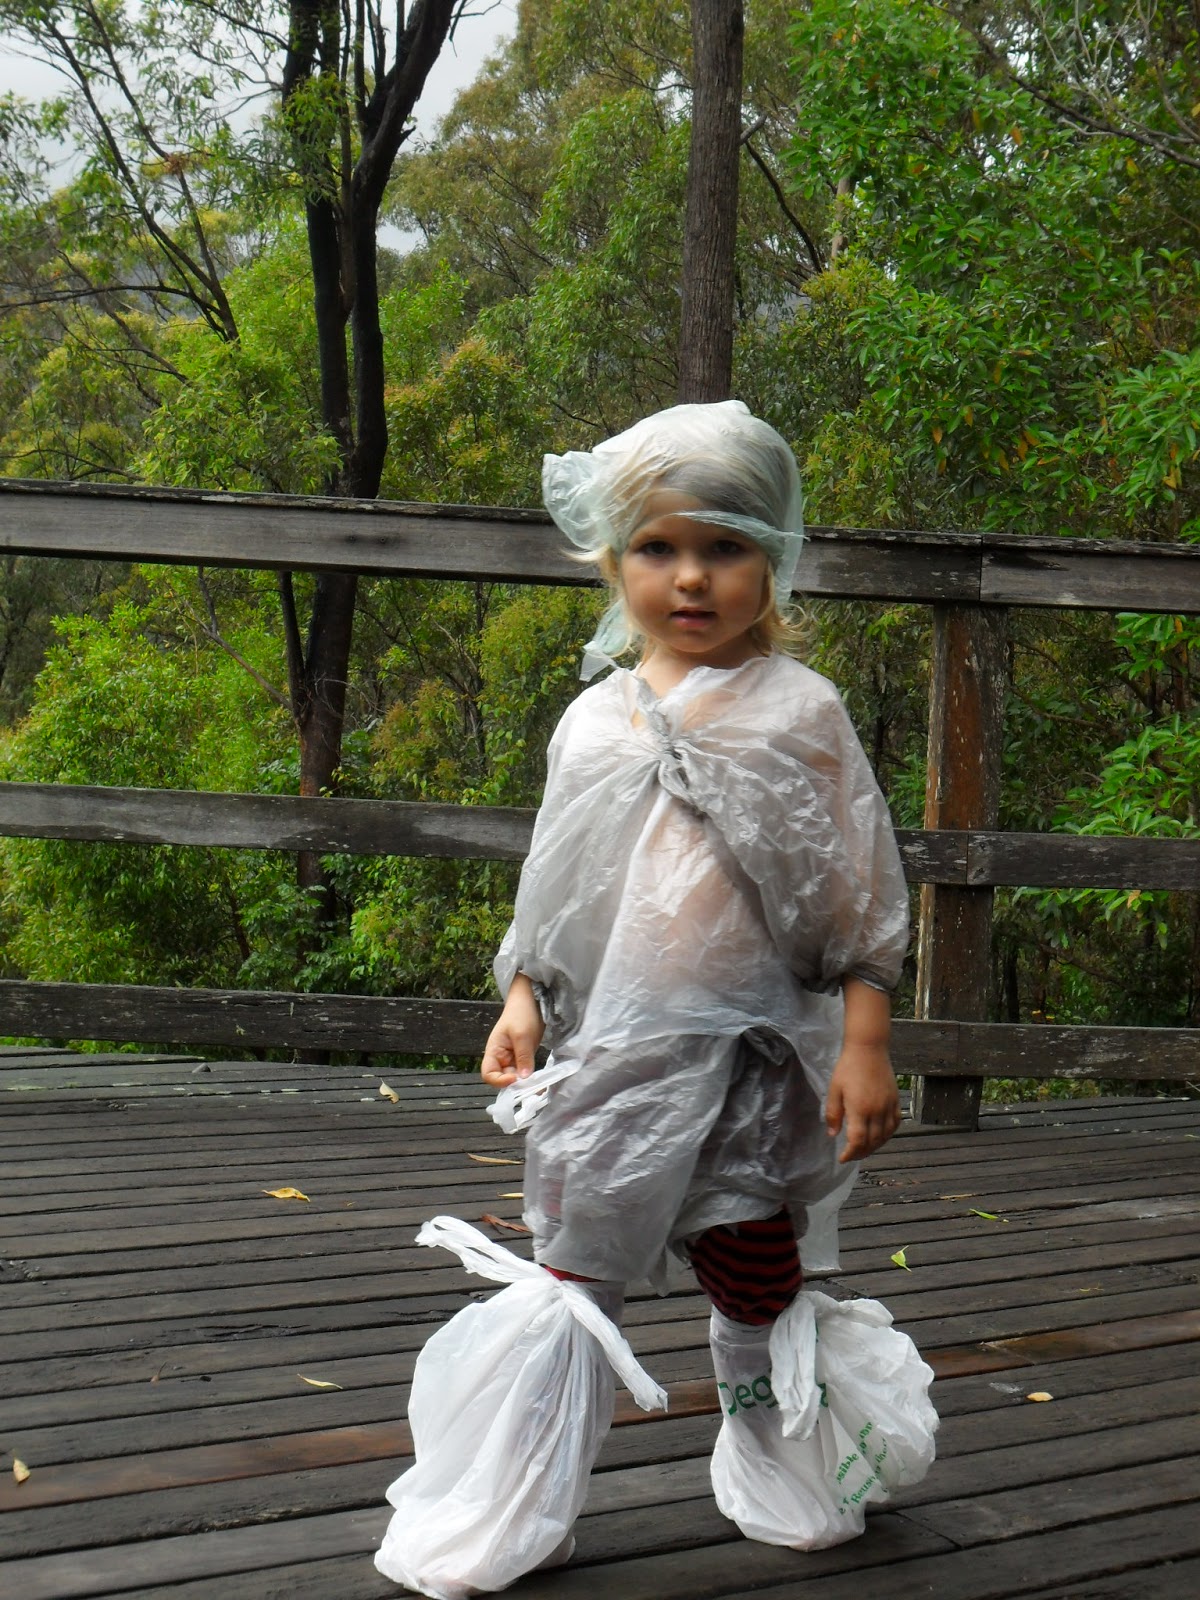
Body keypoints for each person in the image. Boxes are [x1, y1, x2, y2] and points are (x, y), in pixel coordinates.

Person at [375, 401, 936, 1599]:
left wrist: (868, 1042)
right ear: (612, 559)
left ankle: (782, 1461)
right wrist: (522, 994)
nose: (690, 577)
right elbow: (558, 885)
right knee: (577, 1270)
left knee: (756, 1267)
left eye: (724, 547)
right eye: (658, 547)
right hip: (616, 1058)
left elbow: (860, 889)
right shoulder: (595, 719)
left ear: (772, 557)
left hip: (752, 1060)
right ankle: (512, 1503)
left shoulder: (802, 712)